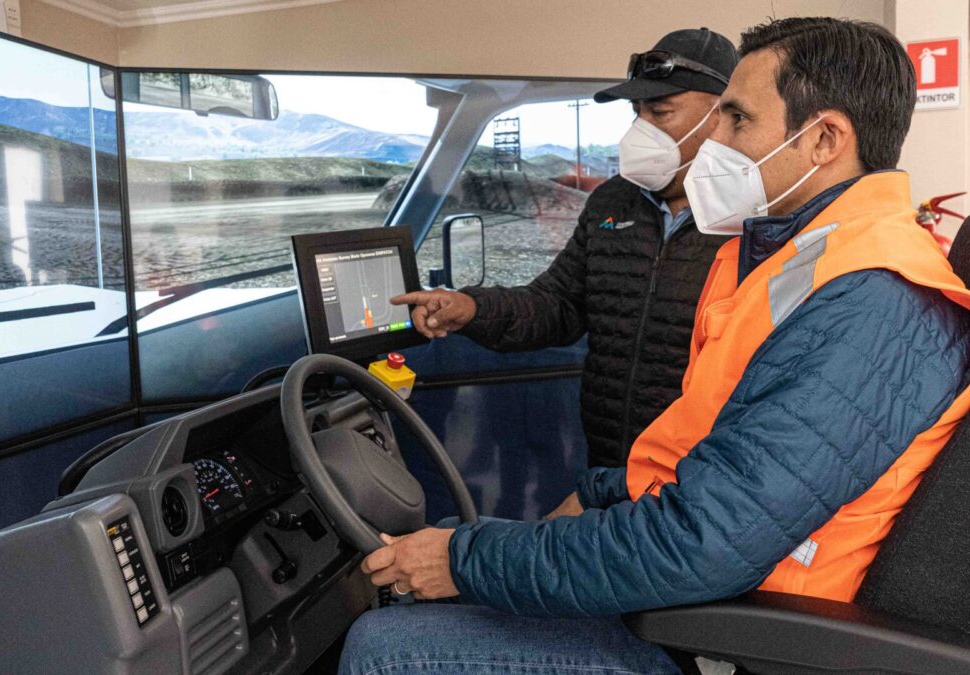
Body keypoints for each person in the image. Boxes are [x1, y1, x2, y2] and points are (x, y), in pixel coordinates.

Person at [342, 17, 970, 674]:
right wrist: (600, 494)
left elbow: (705, 540)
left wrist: (464, 561)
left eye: (736, 119)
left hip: (734, 630)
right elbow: (723, 456)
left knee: (383, 644)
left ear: (824, 139)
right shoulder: (803, 258)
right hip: (695, 574)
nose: (716, 142)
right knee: (442, 571)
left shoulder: (867, 299)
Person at [392, 28, 739, 471]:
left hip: (703, 472)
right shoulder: (614, 201)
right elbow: (556, 305)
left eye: (661, 111)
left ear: (723, 114)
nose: (640, 129)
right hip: (611, 460)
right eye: (637, 112)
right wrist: (472, 308)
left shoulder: (759, 219)